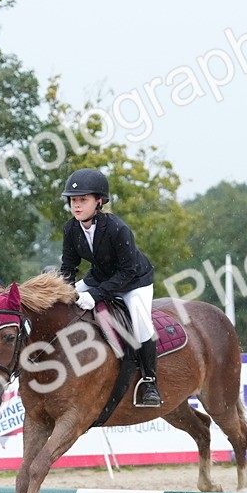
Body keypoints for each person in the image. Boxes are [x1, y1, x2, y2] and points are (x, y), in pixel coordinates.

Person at [58, 168, 162, 407]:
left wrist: (94, 295)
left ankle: (149, 382)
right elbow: (68, 267)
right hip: (100, 277)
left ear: (99, 202)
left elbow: (127, 272)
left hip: (135, 281)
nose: (76, 206)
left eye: (83, 200)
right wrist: (63, 291)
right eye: (73, 200)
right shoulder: (71, 229)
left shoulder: (118, 228)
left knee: (142, 323)